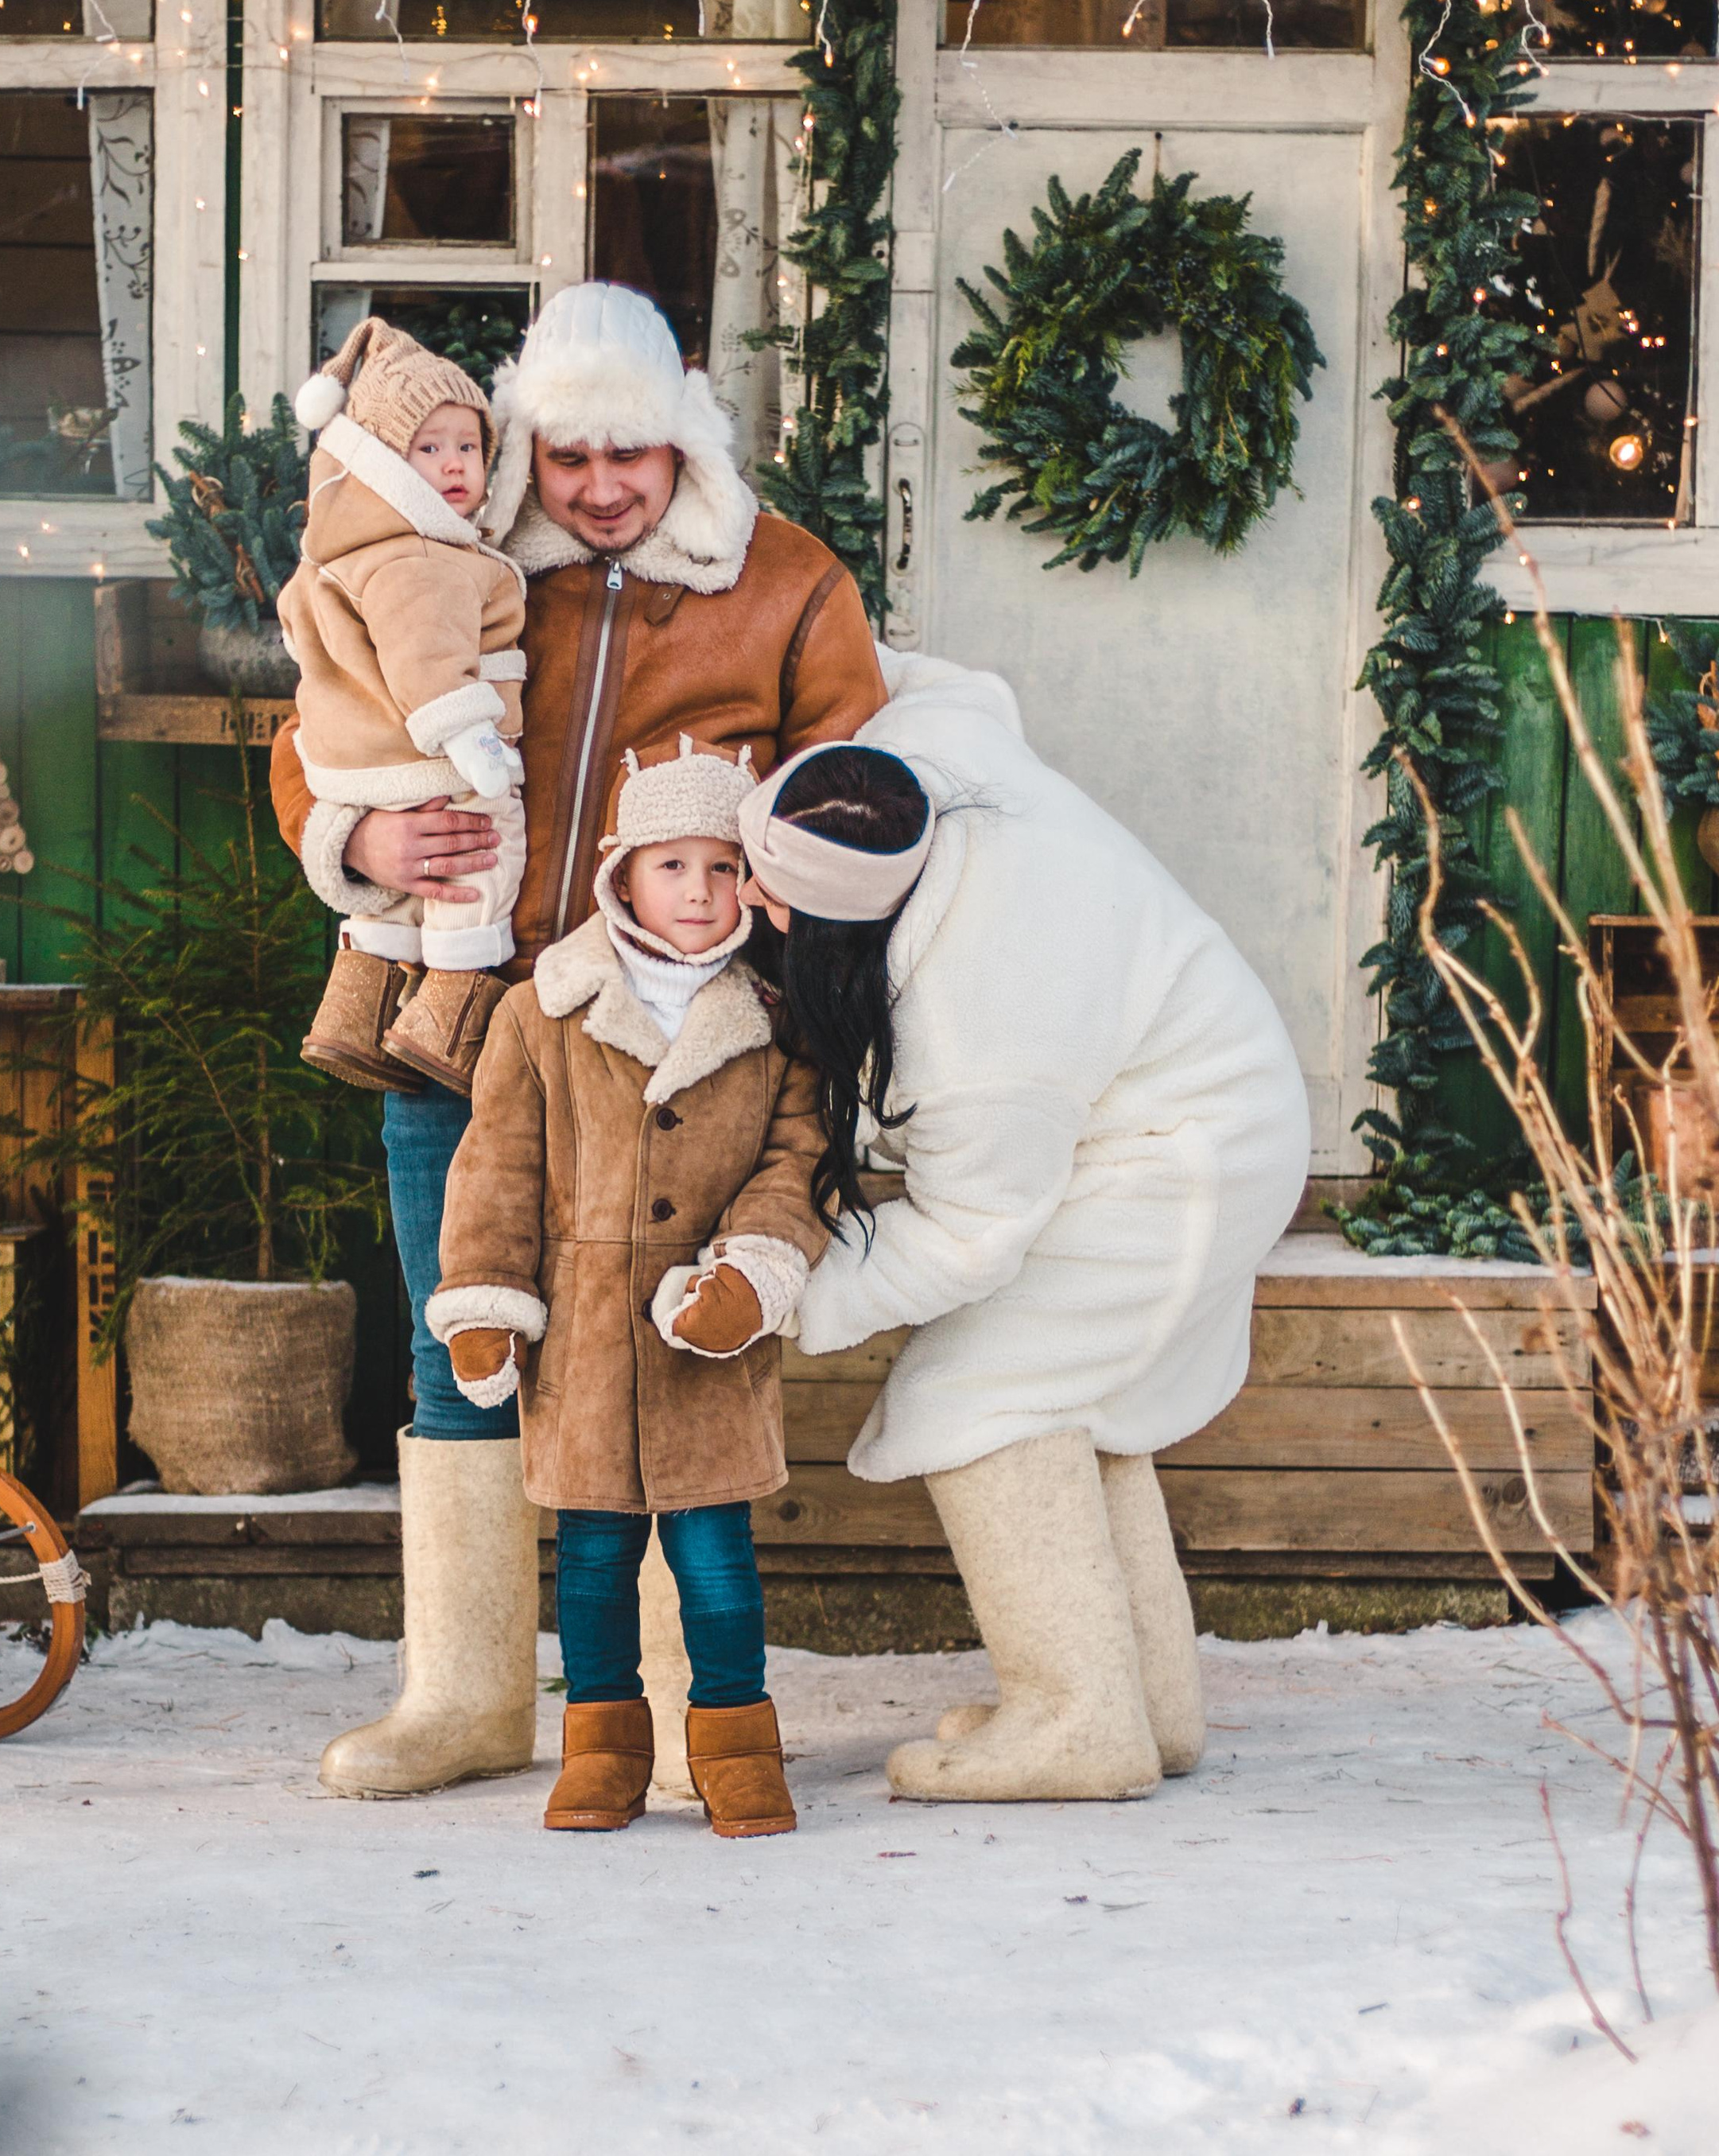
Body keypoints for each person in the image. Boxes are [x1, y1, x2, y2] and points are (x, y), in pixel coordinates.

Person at [267, 280, 884, 1796]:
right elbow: (314, 736)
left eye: (635, 458)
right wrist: (358, 843)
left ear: (682, 445)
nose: (603, 491)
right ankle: (465, 1697)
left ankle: (680, 1709)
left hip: (689, 1040)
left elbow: (859, 793)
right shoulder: (456, 566)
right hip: (472, 1015)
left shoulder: (788, 584)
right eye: (569, 461)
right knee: (457, 1342)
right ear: (528, 451)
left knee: (676, 1348)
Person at [735, 651, 1311, 1804]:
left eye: (764, 894)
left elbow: (966, 1236)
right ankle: (1146, 1706)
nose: (742, 900)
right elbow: (946, 675)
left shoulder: (973, 1020)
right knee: (1067, 1406)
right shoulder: (929, 757)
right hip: (1180, 1108)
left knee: (980, 1398)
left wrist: (785, 1294)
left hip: (1176, 1162)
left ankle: (1076, 1723)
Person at [428, 743, 833, 1837]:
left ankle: (737, 1746)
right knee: (596, 1570)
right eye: (672, 866)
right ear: (622, 874)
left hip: (709, 1347)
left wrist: (751, 1272)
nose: (698, 891)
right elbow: (496, 1170)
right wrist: (483, 1306)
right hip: (585, 1346)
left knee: (718, 1570)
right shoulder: (541, 1012)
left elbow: (794, 1166)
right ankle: (602, 1748)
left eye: (721, 866)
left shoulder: (773, 1019)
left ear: (752, 882)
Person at [281, 316, 527, 1095]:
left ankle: (355, 1013)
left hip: (373, 764)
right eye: (429, 449)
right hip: (439, 758)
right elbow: (421, 666)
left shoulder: (362, 549)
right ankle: (447, 1017)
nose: (454, 465)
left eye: (469, 448)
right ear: (386, 463)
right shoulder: (427, 557)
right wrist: (351, 842)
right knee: (483, 857)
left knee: (414, 900)